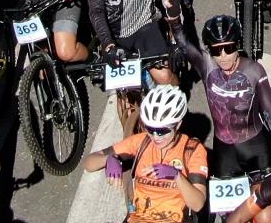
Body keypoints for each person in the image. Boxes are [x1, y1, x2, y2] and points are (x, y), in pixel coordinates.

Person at [82, 85, 209, 223]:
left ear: (177, 125)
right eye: (150, 128)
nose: (155, 137)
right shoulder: (142, 141)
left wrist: (177, 176)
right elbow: (89, 164)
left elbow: (197, 203)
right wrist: (109, 158)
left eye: (162, 131)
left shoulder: (192, 150)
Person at [180, 15, 271, 179]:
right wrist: (173, 16)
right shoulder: (207, 67)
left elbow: (270, 112)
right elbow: (183, 43)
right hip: (225, 153)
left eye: (229, 48)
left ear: (238, 45)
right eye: (216, 50)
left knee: (266, 198)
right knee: (224, 205)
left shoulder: (254, 70)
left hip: (257, 149)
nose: (223, 56)